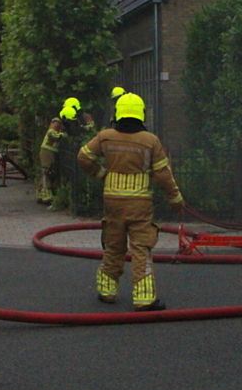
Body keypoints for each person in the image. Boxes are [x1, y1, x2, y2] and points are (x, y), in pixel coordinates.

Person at [77, 93, 183, 311]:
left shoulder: (105, 136)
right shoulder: (150, 141)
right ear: (141, 114)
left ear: (118, 113)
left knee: (114, 245)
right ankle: (145, 299)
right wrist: (175, 199)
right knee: (141, 247)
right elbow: (163, 174)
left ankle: (107, 291)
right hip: (139, 204)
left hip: (112, 201)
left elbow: (83, 157)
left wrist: (101, 174)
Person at [37, 106, 75, 204]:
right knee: (46, 172)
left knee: (48, 171)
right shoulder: (56, 122)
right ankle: (46, 195)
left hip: (51, 150)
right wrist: (63, 135)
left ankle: (41, 193)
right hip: (47, 150)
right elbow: (51, 134)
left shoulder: (60, 123)